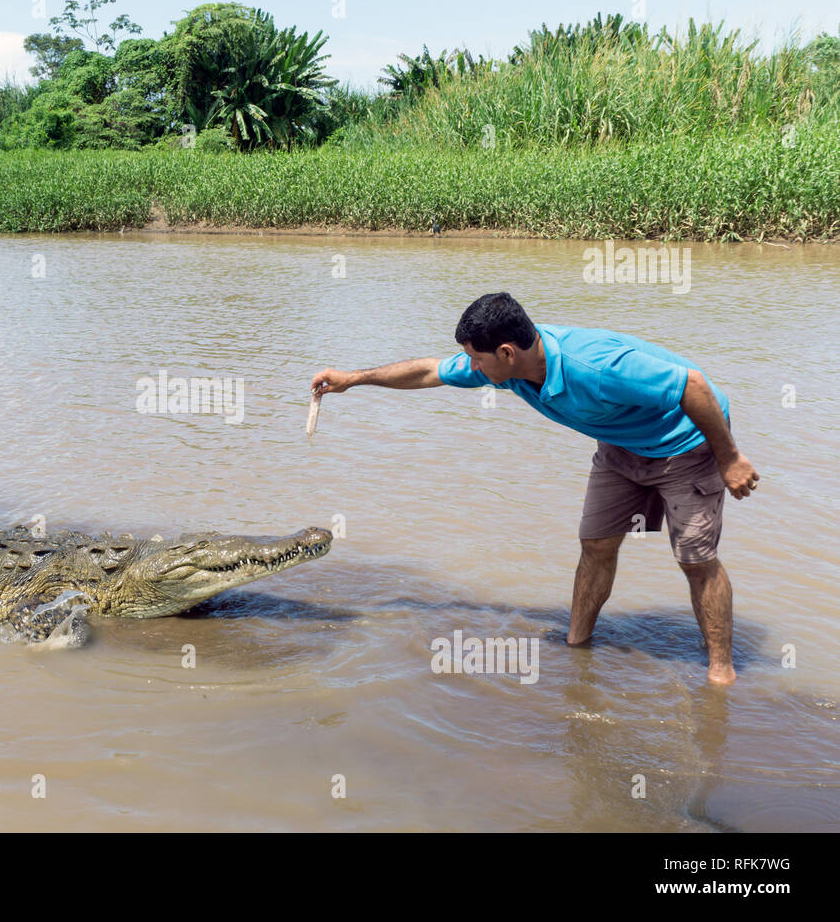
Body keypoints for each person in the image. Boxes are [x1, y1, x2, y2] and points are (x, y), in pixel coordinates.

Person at [311, 292, 758, 685]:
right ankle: (576, 646)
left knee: (695, 561)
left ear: (506, 352)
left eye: (477, 358)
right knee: (596, 543)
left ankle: (721, 670)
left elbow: (693, 386)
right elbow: (429, 372)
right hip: (621, 445)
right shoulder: (507, 366)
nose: (472, 367)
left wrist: (729, 458)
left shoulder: (597, 366)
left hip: (685, 443)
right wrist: (354, 378)